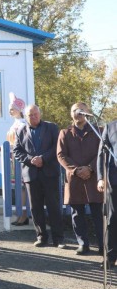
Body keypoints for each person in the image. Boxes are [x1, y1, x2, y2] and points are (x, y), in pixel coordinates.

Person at [13, 104, 65, 248]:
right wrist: (31, 160)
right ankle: (41, 237)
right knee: (35, 208)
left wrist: (43, 158)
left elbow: (57, 147)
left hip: (49, 173)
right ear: (26, 116)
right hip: (31, 174)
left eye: (35, 114)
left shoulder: (52, 127)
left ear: (40, 114)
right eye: (30, 115)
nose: (33, 117)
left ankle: (58, 239)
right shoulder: (20, 130)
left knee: (53, 206)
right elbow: (17, 151)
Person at [57, 102, 103, 255]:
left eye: (82, 110)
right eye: (75, 111)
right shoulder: (65, 132)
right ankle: (83, 244)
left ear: (88, 113)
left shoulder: (98, 131)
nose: (78, 113)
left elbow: (102, 153)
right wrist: (76, 170)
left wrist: (90, 168)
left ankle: (104, 244)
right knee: (77, 214)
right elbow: (61, 155)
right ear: (71, 114)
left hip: (95, 178)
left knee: (98, 213)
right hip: (75, 178)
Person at [6, 92, 30, 226]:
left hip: (20, 158)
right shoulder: (16, 123)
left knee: (23, 188)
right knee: (19, 188)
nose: (10, 111)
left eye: (12, 108)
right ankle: (21, 215)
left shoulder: (22, 124)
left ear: (19, 109)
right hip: (14, 158)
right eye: (9, 109)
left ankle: (24, 215)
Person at [97, 120, 117, 267]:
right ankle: (110, 256)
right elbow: (101, 153)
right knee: (113, 218)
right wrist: (100, 178)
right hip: (114, 180)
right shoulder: (110, 126)